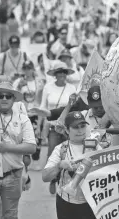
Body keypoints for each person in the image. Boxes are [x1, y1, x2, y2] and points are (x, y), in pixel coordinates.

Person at [0, 73, 37, 219]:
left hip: (13, 175)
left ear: (13, 99)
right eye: (0, 95)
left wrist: (7, 148)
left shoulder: (22, 119)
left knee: (9, 215)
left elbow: (31, 147)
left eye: (8, 96)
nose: (4, 98)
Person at [42, 111, 100, 219]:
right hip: (66, 203)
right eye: (75, 127)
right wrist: (59, 165)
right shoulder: (60, 149)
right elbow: (45, 177)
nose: (80, 130)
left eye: (82, 126)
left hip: (90, 202)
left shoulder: (95, 146)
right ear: (67, 130)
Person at [38, 61, 77, 194]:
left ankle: (67, 180)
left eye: (64, 72)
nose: (61, 75)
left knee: (70, 153)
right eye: (59, 72)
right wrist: (40, 126)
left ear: (66, 74)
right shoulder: (48, 87)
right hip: (52, 126)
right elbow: (43, 108)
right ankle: (53, 179)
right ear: (55, 74)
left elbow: (74, 106)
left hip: (68, 126)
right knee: (52, 153)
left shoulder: (72, 88)